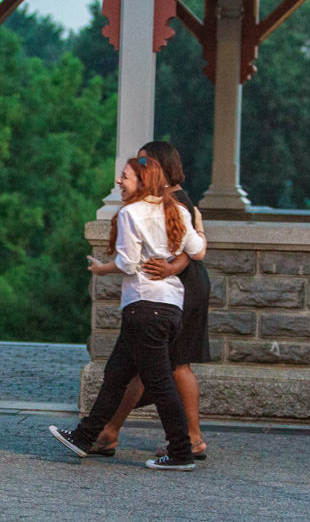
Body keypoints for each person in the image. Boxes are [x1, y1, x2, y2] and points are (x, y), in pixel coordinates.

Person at [49, 156, 206, 470]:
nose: (119, 182)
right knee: (116, 375)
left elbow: (128, 264)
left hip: (143, 307)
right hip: (168, 306)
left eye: (125, 177)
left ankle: (180, 452)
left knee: (159, 383)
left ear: (142, 181)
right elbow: (197, 251)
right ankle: (85, 436)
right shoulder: (176, 209)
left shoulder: (131, 214)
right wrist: (199, 227)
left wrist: (102, 268)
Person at [90, 141, 211, 460]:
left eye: (143, 161)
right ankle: (107, 432)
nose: (135, 169)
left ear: (157, 167)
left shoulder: (176, 201)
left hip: (179, 289)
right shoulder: (155, 202)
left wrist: (170, 266)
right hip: (163, 293)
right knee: (140, 367)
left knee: (174, 364)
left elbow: (192, 251)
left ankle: (190, 438)